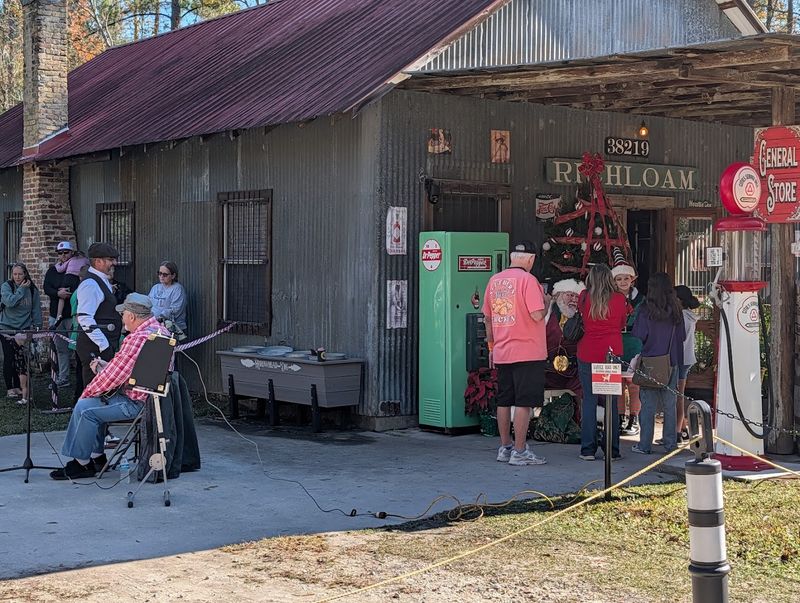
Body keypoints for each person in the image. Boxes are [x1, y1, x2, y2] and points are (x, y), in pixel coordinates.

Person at [50, 293, 170, 480]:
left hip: (136, 403)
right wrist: (107, 367)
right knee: (95, 402)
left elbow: (112, 377)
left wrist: (87, 392)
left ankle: (82, 464)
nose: (121, 318)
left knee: (85, 407)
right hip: (151, 400)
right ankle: (97, 457)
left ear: (132, 316)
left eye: (123, 314)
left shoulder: (138, 338)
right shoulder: (160, 331)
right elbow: (131, 369)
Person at [483, 241, 548, 466]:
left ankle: (505, 447)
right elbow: (537, 314)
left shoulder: (494, 280)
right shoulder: (529, 281)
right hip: (528, 350)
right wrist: (547, 302)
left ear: (512, 257)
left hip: (502, 350)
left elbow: (488, 319)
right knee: (523, 402)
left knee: (504, 400)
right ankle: (520, 452)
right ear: (531, 259)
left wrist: (492, 347)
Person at [576, 264, 628, 461]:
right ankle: (612, 450)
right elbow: (622, 323)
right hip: (611, 352)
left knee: (589, 400)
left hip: (587, 351)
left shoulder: (584, 296)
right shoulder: (619, 298)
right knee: (611, 402)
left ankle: (587, 450)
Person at [631, 273, 686, 455]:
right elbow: (682, 336)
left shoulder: (645, 310)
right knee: (670, 405)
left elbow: (639, 335)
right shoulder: (676, 309)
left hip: (650, 362)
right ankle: (670, 444)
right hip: (672, 361)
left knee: (648, 405)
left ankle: (644, 445)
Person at [75, 242, 123, 388]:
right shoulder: (90, 284)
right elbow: (84, 317)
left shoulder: (102, 279)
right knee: (94, 388)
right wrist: (103, 345)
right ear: (98, 261)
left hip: (103, 345)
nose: (114, 263)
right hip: (95, 347)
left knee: (103, 388)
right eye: (110, 260)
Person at [0, 263, 43, 404]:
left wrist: (37, 327)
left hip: (23, 328)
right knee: (9, 358)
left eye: (20, 274)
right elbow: (10, 302)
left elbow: (36, 310)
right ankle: (10, 388)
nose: (17, 277)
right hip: (6, 327)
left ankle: (20, 387)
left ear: (25, 274)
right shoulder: (7, 286)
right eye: (15, 274)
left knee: (21, 359)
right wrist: (21, 289)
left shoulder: (32, 290)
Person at [43, 241, 83, 388]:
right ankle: (63, 377)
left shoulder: (76, 268)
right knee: (60, 348)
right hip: (57, 315)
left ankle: (81, 378)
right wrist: (57, 293)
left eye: (66, 252)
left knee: (79, 347)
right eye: (60, 253)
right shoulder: (53, 270)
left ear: (72, 253)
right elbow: (46, 288)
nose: (63, 255)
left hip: (73, 314)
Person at [544, 278, 585, 416]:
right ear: (558, 296)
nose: (574, 299)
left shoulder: (582, 318)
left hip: (572, 374)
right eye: (570, 295)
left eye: (576, 297)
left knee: (590, 388)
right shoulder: (546, 315)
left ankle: (582, 420)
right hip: (547, 372)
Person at [612, 263, 644, 436]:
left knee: (634, 384)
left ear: (632, 280)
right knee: (617, 384)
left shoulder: (641, 300)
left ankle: (634, 418)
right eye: (619, 279)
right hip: (616, 340)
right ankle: (619, 418)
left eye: (626, 278)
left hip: (635, 340)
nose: (623, 282)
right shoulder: (609, 297)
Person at [674, 285, 700, 442]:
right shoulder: (690, 315)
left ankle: (676, 432)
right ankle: (683, 429)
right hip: (688, 357)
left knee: (677, 396)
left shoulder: (680, 317)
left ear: (679, 300)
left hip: (679, 358)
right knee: (679, 394)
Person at [148, 261, 187, 338]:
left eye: (165, 274)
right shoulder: (155, 287)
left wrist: (159, 317)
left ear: (173, 276)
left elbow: (175, 310)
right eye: (159, 273)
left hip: (172, 329)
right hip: (153, 326)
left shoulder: (178, 289)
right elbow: (148, 304)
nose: (161, 276)